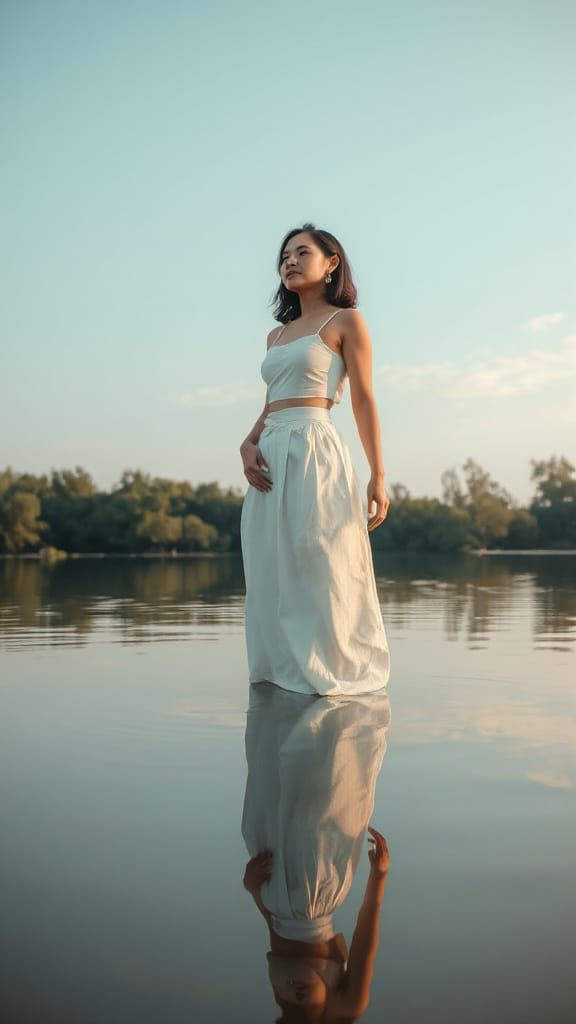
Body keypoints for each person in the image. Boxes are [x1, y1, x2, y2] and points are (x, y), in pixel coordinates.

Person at [240, 222, 391, 697]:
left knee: (320, 556)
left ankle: (329, 667)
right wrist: (248, 441)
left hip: (315, 449)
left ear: (331, 264)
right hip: (270, 453)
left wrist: (378, 475)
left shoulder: (347, 321)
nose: (289, 261)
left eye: (301, 252)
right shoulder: (276, 335)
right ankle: (280, 668)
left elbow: (364, 400)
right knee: (271, 561)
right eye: (284, 255)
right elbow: (273, 399)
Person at [241, 681, 392, 1021]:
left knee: (275, 773)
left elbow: (277, 935)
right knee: (329, 780)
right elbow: (366, 940)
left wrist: (253, 890)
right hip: (319, 884)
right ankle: (331, 693)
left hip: (273, 883)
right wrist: (379, 876)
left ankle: (294, 687)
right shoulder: (344, 1009)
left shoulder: (285, 1012)